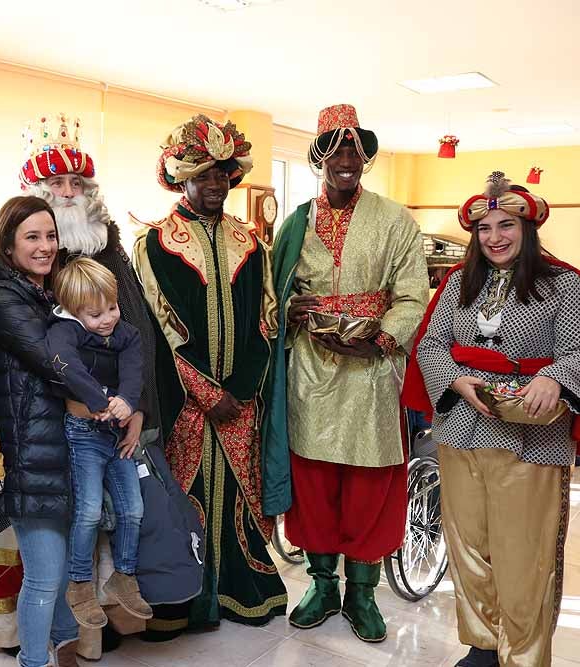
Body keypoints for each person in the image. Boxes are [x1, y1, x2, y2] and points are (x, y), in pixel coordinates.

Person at [21, 114, 196, 652]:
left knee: (118, 513)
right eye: (56, 186)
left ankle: (112, 624)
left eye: (77, 184)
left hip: (115, 417)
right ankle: (66, 635)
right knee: (73, 521)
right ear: (38, 194)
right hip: (56, 424)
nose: (68, 194)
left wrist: (138, 407)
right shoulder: (25, 256)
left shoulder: (111, 248)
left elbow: (138, 334)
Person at [403, 172, 579, 667]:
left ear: (527, 230)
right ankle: (482, 646)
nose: (495, 237)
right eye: (485, 229)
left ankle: (523, 657)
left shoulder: (563, 285)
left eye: (506, 226)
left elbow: (578, 349)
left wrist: (556, 378)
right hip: (462, 431)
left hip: (532, 437)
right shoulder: (459, 282)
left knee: (525, 557)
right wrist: (458, 382)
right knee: (470, 548)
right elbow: (432, 346)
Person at [268, 104, 428, 642]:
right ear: (318, 159)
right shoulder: (294, 225)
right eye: (335, 151)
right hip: (310, 373)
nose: (346, 160)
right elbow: (275, 295)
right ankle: (321, 585)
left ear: (365, 160)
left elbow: (412, 297)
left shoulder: (396, 220)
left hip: (372, 374)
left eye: (355, 151)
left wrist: (379, 337)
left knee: (368, 486)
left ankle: (361, 594)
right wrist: (291, 312)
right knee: (314, 484)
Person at [131, 114, 289, 632]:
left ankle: (241, 588)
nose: (215, 184)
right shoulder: (154, 244)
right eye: (204, 174)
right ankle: (188, 597)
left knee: (238, 496)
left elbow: (267, 320)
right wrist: (206, 392)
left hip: (242, 399)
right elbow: (164, 326)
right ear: (182, 178)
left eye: (222, 174)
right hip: (184, 399)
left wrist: (241, 390)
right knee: (186, 492)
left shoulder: (251, 244)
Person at [0, 196, 79, 667]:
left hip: (52, 447)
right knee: (42, 576)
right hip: (26, 451)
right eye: (32, 237)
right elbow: (52, 361)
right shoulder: (2, 294)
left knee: (56, 575)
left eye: (51, 235)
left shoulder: (45, 291)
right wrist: (106, 398)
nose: (45, 247)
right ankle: (34, 661)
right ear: (8, 243)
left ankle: (65, 652)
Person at [45, 258, 152, 628]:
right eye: (95, 314)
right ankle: (78, 584)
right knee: (88, 510)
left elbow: (135, 365)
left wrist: (130, 402)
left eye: (112, 308)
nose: (107, 319)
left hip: (117, 435)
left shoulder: (124, 331)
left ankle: (124, 574)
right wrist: (104, 400)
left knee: (133, 508)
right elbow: (67, 366)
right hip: (83, 433)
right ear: (74, 312)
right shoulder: (63, 331)